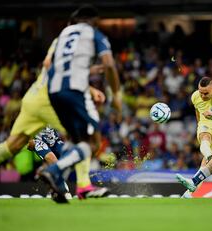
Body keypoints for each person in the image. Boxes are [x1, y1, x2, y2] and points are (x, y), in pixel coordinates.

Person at [0, 38, 110, 201]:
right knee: (72, 145)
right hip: (38, 133)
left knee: (12, 146)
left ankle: (60, 185)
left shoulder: (60, 45)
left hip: (50, 133)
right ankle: (76, 188)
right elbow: (55, 68)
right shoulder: (66, 49)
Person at [38, 4, 122, 203]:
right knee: (92, 142)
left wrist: (90, 70)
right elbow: (110, 64)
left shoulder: (63, 34)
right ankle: (55, 170)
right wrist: (116, 94)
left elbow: (53, 64)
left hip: (53, 91)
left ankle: (59, 184)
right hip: (75, 91)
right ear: (94, 21)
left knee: (76, 141)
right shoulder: (95, 34)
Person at [179, 76, 212, 198]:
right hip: (205, 124)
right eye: (200, 92)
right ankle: (209, 155)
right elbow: (197, 111)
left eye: (206, 93)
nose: (202, 96)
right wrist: (200, 125)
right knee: (205, 137)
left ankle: (189, 192)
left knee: (205, 166)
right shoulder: (195, 96)